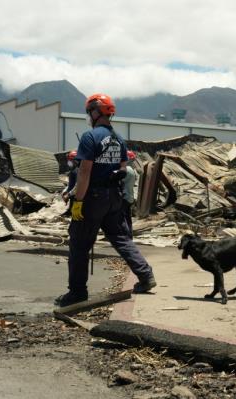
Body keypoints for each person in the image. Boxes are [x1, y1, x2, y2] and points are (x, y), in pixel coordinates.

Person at [54, 93, 157, 307]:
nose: (88, 116)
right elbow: (122, 169)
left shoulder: (90, 138)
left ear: (95, 112)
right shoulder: (119, 139)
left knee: (79, 244)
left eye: (89, 112)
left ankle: (77, 292)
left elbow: (84, 173)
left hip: (92, 198)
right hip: (113, 198)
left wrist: (78, 202)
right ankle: (146, 275)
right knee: (121, 238)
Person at [122, 150, 137, 238]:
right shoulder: (132, 170)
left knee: (122, 218)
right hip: (129, 197)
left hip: (124, 197)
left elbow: (118, 181)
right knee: (128, 218)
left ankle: (124, 236)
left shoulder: (126, 170)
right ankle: (129, 235)